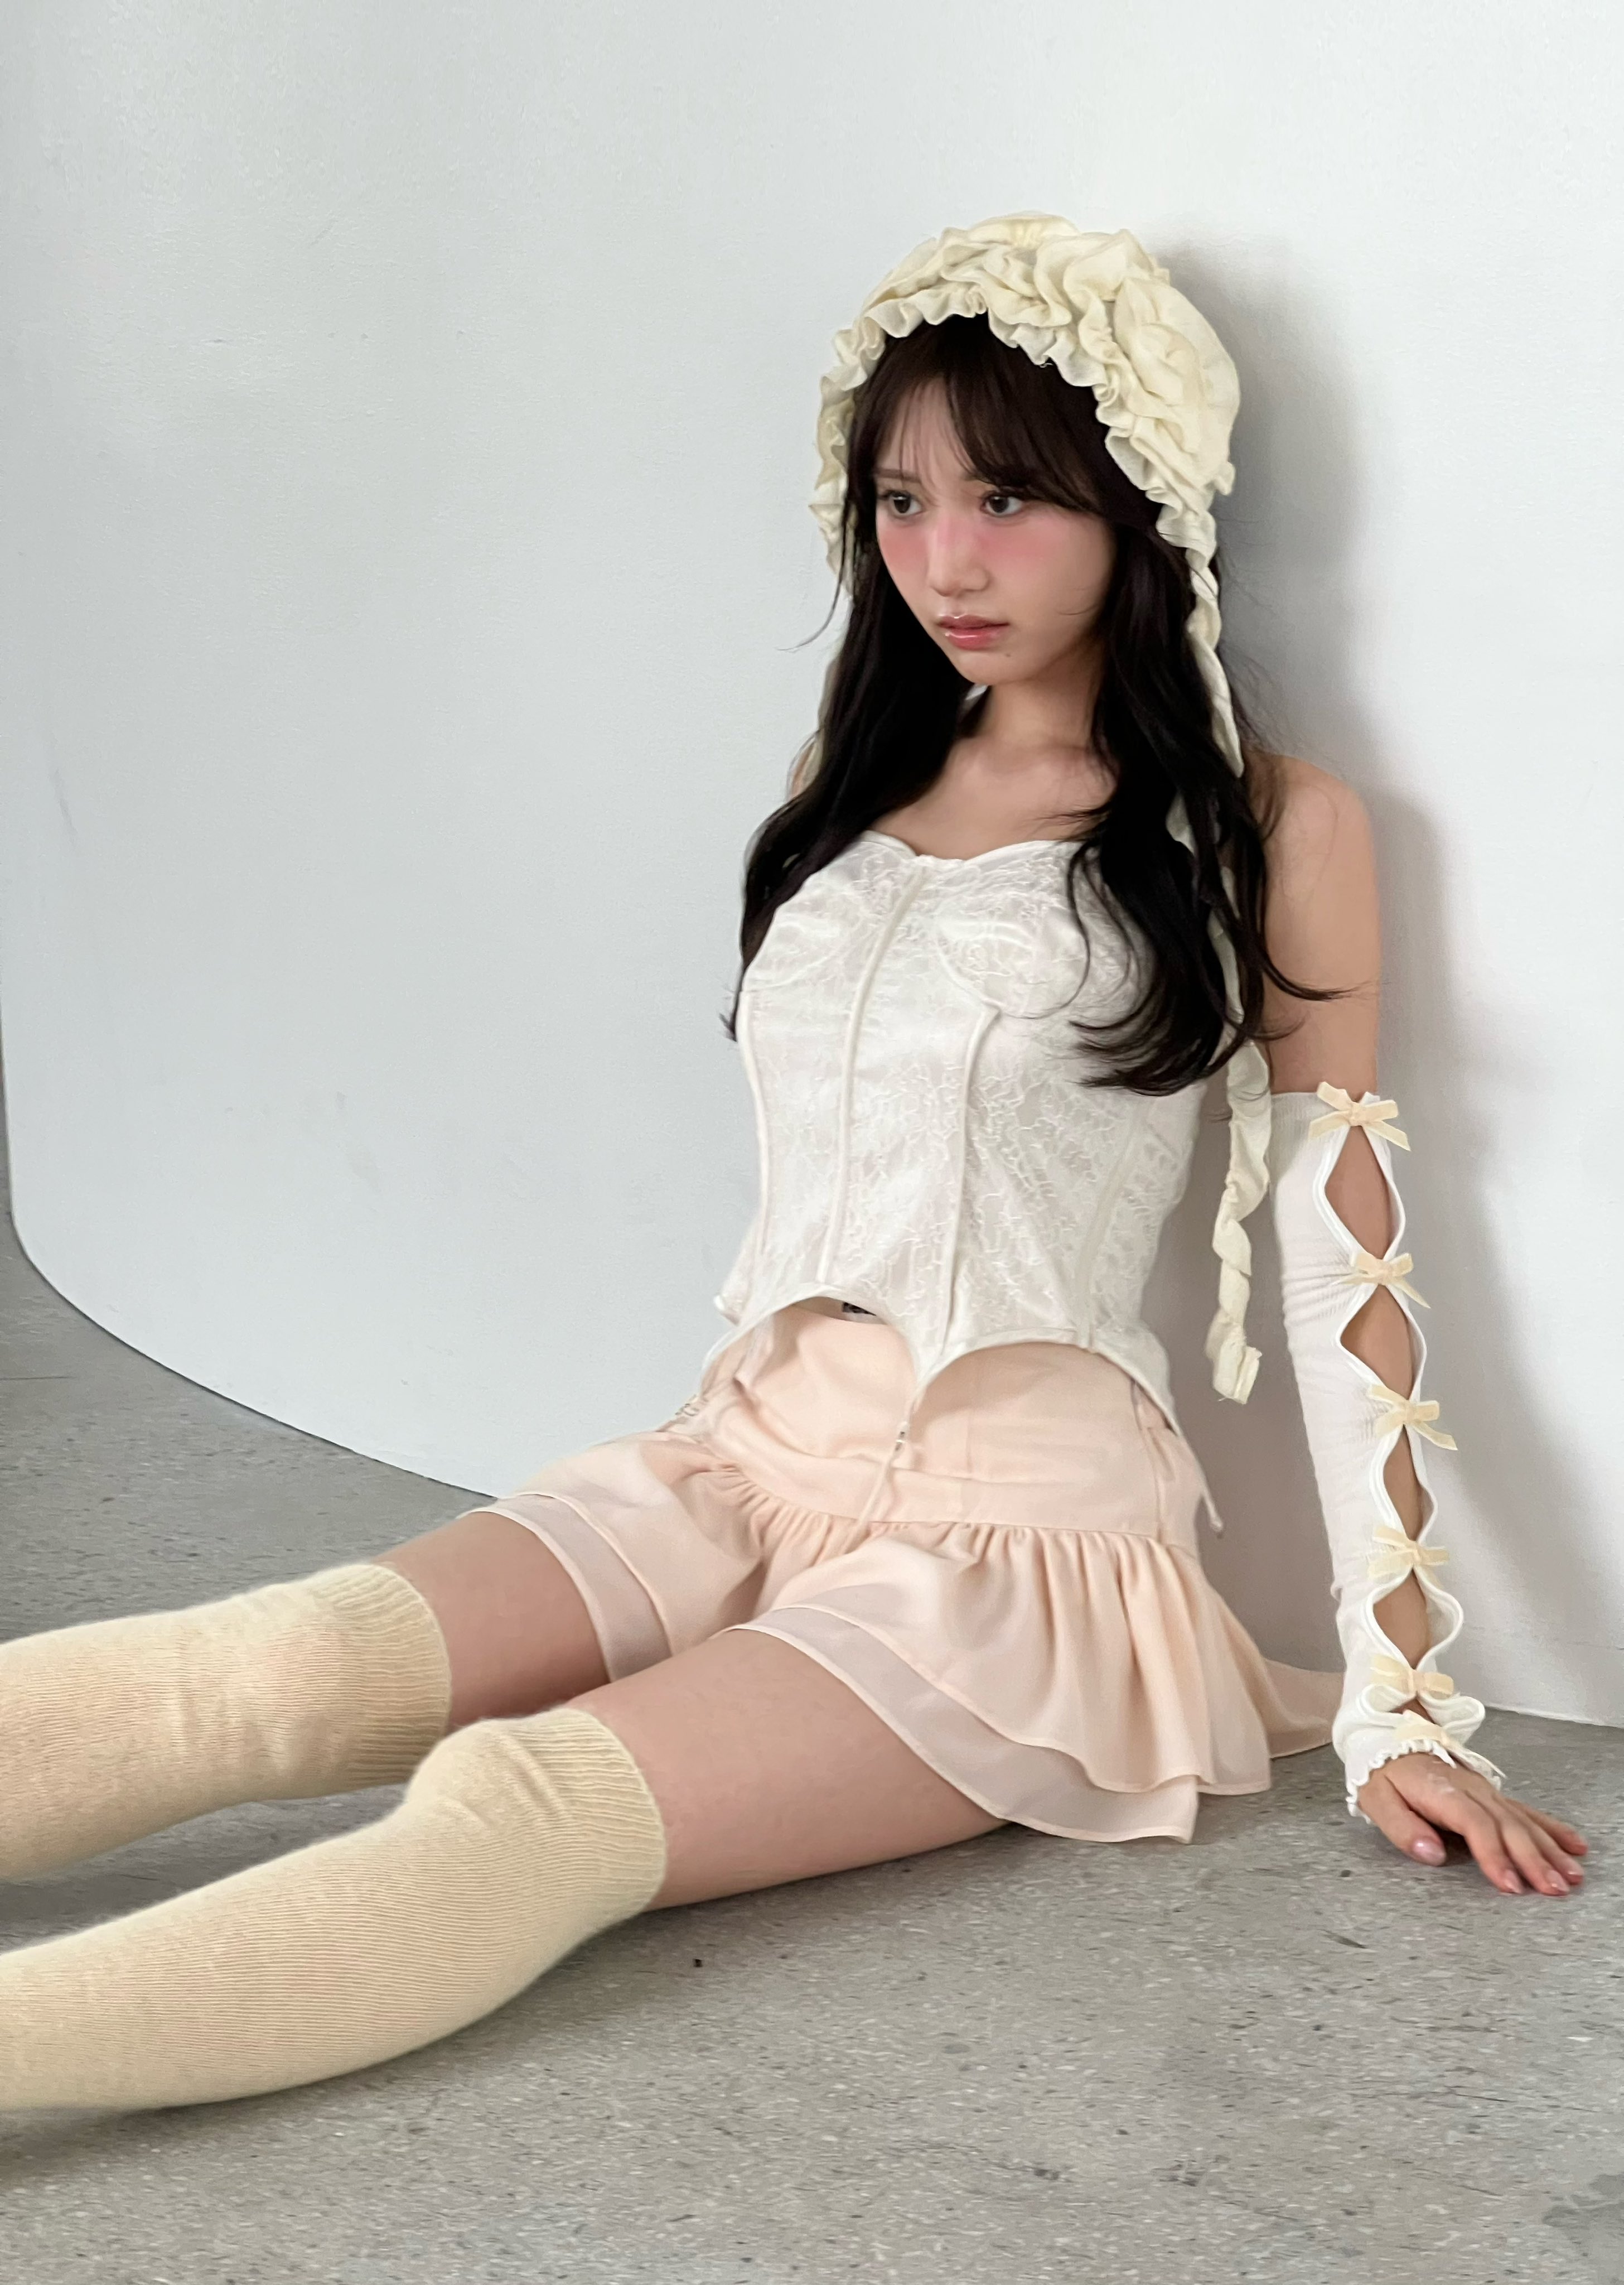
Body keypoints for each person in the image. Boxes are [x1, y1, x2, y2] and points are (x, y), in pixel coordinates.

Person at [0, 213, 1587, 2116]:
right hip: (735, 1463)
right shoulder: (852, 791)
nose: (946, 561)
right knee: (273, 1670)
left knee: (525, 1806)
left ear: (1142, 504)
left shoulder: (1263, 825)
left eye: (1009, 498)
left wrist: (1401, 1702)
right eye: (902, 502)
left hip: (1018, 1556)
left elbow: (1342, 1259)